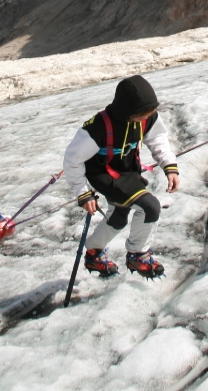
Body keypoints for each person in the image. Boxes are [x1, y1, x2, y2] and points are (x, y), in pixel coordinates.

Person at [63, 75, 180, 278]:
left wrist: (169, 165)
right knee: (150, 207)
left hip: (128, 171)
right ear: (127, 110)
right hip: (105, 175)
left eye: (149, 114)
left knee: (119, 215)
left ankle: (93, 252)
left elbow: (158, 138)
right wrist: (83, 193)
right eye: (142, 115)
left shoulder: (147, 116)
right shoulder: (97, 127)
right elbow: (72, 159)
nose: (147, 118)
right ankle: (138, 254)